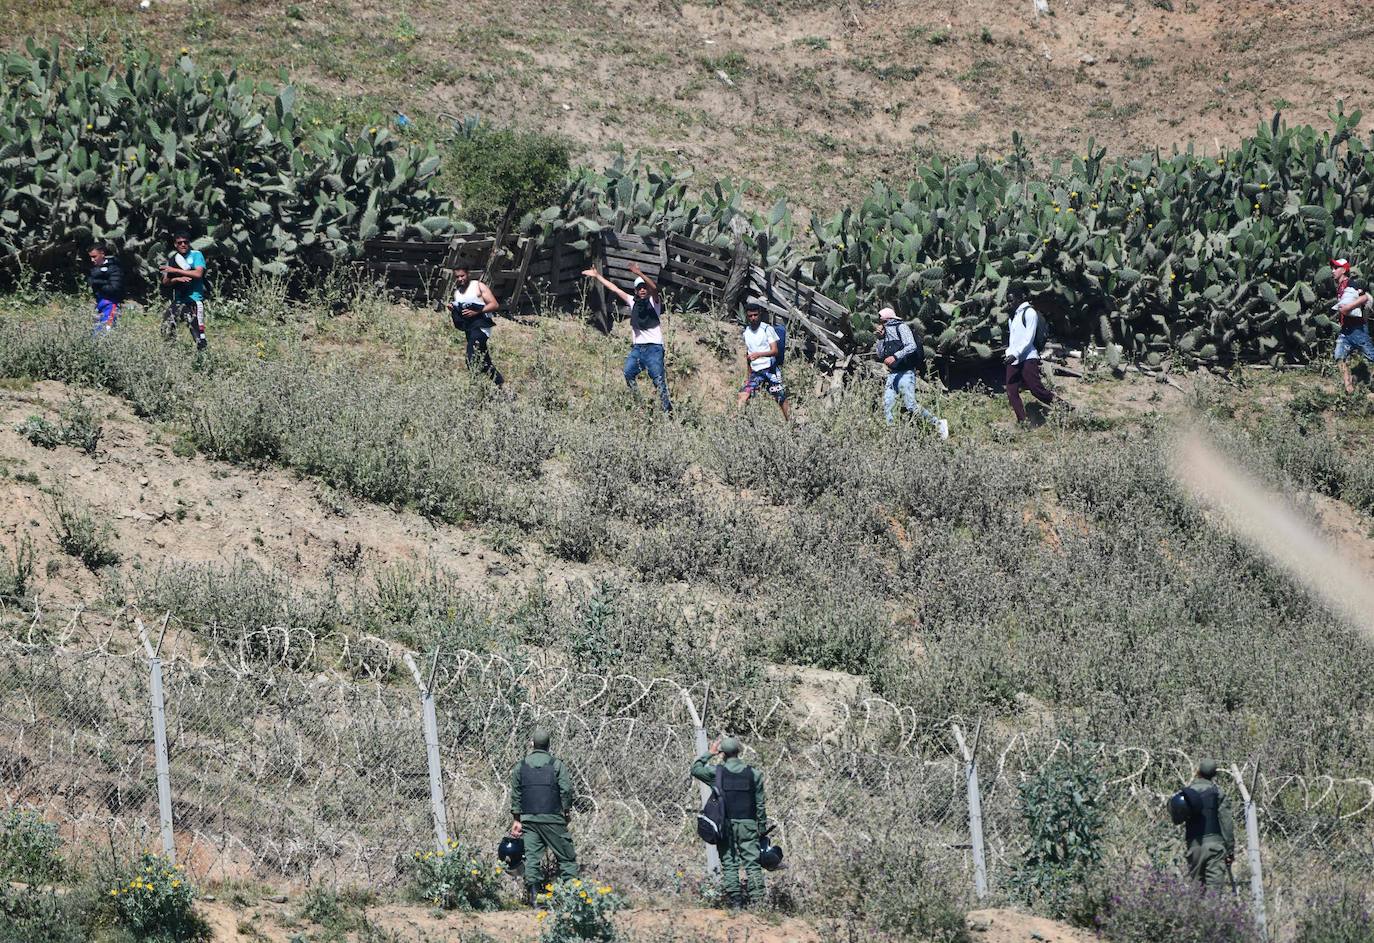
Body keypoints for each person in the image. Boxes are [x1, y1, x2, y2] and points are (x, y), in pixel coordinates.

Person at [581, 262, 672, 413]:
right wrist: (597, 276)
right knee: (628, 372)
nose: (643, 290)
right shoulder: (632, 301)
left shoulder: (654, 302)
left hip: (654, 349)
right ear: (636, 291)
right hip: (638, 349)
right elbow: (614, 288)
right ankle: (640, 405)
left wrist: (639, 273)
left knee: (659, 381)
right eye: (639, 288)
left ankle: (667, 412)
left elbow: (655, 288)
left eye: (644, 287)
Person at [691, 736, 767, 908]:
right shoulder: (754, 774)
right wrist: (761, 827)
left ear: (722, 753)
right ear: (739, 751)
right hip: (748, 825)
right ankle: (758, 903)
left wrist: (709, 753)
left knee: (729, 862)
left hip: (724, 824)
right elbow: (760, 804)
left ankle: (735, 902)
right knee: (752, 863)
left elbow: (695, 769)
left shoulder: (716, 773)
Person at [509, 726, 578, 904]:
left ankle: (534, 896)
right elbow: (566, 790)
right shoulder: (556, 765)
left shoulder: (521, 766)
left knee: (532, 857)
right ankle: (568, 897)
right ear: (548, 745)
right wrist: (566, 811)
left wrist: (516, 819)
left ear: (532, 744)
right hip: (553, 818)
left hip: (529, 819)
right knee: (566, 857)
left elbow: (516, 794)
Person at [874, 307, 947, 438]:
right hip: (893, 374)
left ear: (887, 319)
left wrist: (895, 356)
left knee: (911, 405)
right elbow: (879, 354)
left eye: (881, 320)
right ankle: (892, 435)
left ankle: (937, 423)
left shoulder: (901, 327)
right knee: (888, 404)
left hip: (906, 373)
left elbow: (911, 345)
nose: (879, 324)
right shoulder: (884, 334)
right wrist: (880, 339)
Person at [1178, 759, 1236, 891]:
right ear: (1214, 774)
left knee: (1196, 892)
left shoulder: (1188, 793)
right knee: (1214, 894)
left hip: (1194, 846)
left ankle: (1196, 912)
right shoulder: (1218, 793)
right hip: (1215, 847)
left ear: (1198, 771)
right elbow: (1226, 822)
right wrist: (1230, 849)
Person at [1004, 284, 1055, 423]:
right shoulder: (1013, 316)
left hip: (1027, 357)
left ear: (1021, 298)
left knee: (1036, 389)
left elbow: (1028, 338)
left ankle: (1064, 407)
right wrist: (1009, 352)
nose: (1009, 303)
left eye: (1012, 300)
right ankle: (1023, 421)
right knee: (1011, 390)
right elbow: (1013, 339)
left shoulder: (1030, 313)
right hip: (1013, 358)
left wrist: (1016, 353)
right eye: (1008, 301)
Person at [449, 266, 505, 386]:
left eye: (462, 275)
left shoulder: (478, 286)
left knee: (471, 358)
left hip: (482, 327)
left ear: (468, 274)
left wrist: (478, 311)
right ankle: (501, 386)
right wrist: (453, 309)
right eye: (457, 277)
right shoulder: (457, 293)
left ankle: (474, 387)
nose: (460, 279)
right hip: (469, 328)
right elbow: (463, 311)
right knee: (485, 362)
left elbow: (494, 304)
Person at [737, 301, 791, 420]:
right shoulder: (746, 333)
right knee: (743, 395)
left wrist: (759, 354)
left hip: (770, 370)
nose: (753, 318)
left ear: (759, 314)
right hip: (756, 372)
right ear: (747, 316)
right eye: (750, 316)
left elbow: (775, 351)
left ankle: (792, 424)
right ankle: (740, 423)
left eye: (755, 315)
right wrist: (748, 376)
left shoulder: (767, 329)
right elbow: (749, 356)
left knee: (781, 398)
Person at [1330, 258, 1374, 394]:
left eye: (1335, 268)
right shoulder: (1340, 286)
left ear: (1343, 270)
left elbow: (1365, 297)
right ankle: (1349, 389)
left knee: (1372, 356)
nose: (1332, 271)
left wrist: (1348, 307)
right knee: (1339, 356)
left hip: (1357, 330)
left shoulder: (1350, 283)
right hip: (1346, 330)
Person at [159, 232, 208, 351]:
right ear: (175, 244)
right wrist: (176, 278)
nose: (183, 245)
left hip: (194, 300)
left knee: (197, 334)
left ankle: (203, 361)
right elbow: (165, 282)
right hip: (179, 301)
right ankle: (171, 354)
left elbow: (198, 273)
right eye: (180, 243)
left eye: (185, 242)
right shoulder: (174, 258)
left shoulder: (196, 255)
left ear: (189, 243)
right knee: (167, 326)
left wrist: (176, 270)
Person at [86, 242, 124, 336]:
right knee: (95, 334)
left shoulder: (114, 268)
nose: (92, 260)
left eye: (94, 256)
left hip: (110, 306)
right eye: (90, 257)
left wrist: (97, 282)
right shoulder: (94, 269)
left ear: (102, 254)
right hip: (99, 306)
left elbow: (114, 289)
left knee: (105, 334)